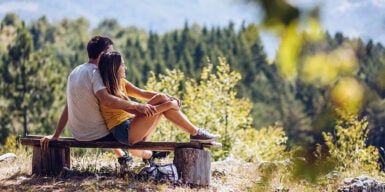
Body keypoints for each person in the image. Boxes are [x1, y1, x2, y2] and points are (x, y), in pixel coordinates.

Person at [39, 35, 154, 166]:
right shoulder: (97, 73)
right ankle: (149, 155)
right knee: (130, 130)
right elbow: (106, 100)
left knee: (108, 114)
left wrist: (56, 135)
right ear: (102, 54)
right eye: (110, 52)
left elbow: (68, 106)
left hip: (79, 134)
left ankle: (123, 156)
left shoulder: (75, 71)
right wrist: (136, 106)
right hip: (97, 134)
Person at [97, 51, 220, 159]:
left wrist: (168, 98)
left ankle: (195, 133)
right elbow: (140, 112)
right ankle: (196, 133)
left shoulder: (121, 82)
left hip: (132, 126)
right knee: (163, 101)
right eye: (122, 65)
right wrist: (169, 105)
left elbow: (142, 93)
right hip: (125, 133)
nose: (125, 67)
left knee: (162, 97)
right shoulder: (109, 93)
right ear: (114, 68)